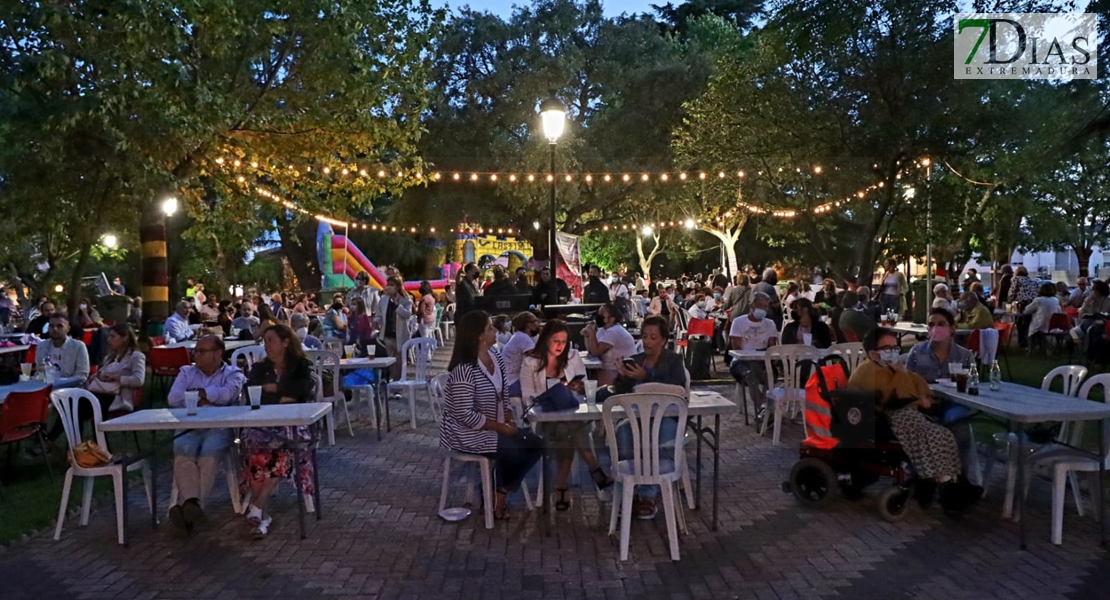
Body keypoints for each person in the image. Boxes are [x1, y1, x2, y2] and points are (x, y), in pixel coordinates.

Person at [849, 327, 970, 514]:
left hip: (898, 415)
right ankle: (944, 483)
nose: (894, 352)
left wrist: (923, 395)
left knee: (944, 434)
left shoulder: (887, 368)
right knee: (938, 435)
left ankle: (949, 481)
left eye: (896, 347)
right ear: (873, 353)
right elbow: (896, 396)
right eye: (887, 348)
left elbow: (917, 383)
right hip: (882, 420)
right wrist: (907, 383)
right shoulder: (869, 371)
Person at [440, 310, 543, 520]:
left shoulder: (496, 356)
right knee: (513, 450)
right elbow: (465, 415)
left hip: (495, 426)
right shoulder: (464, 369)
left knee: (536, 444)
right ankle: (495, 501)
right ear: (479, 335)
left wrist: (508, 417)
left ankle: (499, 492)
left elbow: (503, 393)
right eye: (489, 328)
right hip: (466, 432)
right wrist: (500, 427)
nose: (495, 330)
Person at [600, 315, 687, 519]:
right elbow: (620, 393)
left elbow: (677, 387)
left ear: (663, 340)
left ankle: (648, 495)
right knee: (623, 432)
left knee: (656, 433)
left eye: (653, 337)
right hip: (637, 417)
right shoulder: (636, 360)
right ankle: (631, 489)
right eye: (645, 336)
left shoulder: (673, 360)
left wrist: (646, 377)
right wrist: (621, 377)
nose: (647, 341)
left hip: (666, 417)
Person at [520, 320, 613, 511]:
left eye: (563, 341)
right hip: (546, 419)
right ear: (545, 340)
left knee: (566, 427)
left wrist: (578, 389)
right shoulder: (531, 362)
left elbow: (585, 388)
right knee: (566, 428)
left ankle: (561, 484)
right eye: (555, 340)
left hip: (574, 415)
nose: (560, 346)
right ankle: (593, 465)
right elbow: (527, 396)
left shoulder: (573, 357)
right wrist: (550, 395)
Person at [240, 325, 317, 539]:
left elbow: (304, 389)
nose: (267, 345)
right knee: (254, 447)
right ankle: (261, 516)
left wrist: (276, 389)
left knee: (284, 446)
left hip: (294, 422)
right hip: (263, 421)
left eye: (271, 340)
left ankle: (258, 508)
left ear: (285, 342)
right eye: (265, 341)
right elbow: (252, 392)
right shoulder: (259, 368)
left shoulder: (300, 365)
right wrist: (282, 393)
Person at [166, 335, 246, 533]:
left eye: (202, 351)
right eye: (196, 351)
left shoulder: (233, 373)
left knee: (209, 454)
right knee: (182, 450)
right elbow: (173, 399)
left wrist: (199, 394)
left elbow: (228, 394)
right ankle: (193, 506)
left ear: (218, 354)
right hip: (189, 425)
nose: (196, 355)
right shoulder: (186, 372)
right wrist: (209, 398)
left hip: (219, 426)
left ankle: (187, 506)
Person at [905, 309, 982, 488]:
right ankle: (922, 476)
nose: (935, 328)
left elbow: (972, 383)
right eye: (931, 324)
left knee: (960, 425)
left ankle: (963, 477)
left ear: (952, 328)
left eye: (941, 324)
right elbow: (906, 381)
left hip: (952, 403)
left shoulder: (964, 355)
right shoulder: (917, 352)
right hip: (923, 404)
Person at [42, 323, 140, 447]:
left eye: (113, 337)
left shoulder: (136, 356)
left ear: (124, 338)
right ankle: (75, 447)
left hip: (118, 397)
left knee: (75, 406)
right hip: (101, 394)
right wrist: (96, 376)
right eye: (109, 336)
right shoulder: (111, 357)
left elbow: (138, 380)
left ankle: (59, 442)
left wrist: (116, 378)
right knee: (74, 405)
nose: (108, 340)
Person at [35, 315, 92, 447]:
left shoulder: (78, 346)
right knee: (33, 400)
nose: (55, 329)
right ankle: (40, 438)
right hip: (46, 389)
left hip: (72, 389)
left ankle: (51, 440)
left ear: (68, 328)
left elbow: (82, 376)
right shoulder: (42, 346)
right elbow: (39, 371)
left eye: (59, 326)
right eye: (51, 326)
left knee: (71, 403)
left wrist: (56, 384)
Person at [728, 293, 779, 421]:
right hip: (742, 361)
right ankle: (764, 408)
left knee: (771, 375)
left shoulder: (770, 324)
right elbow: (737, 347)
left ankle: (763, 409)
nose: (763, 309)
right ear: (752, 305)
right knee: (750, 376)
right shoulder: (738, 322)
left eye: (765, 306)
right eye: (760, 306)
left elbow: (772, 347)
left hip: (762, 361)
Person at [582, 302, 638, 386]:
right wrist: (587, 335)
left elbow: (596, 352)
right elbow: (591, 350)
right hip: (608, 368)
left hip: (620, 372)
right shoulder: (603, 330)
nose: (598, 317)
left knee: (589, 382)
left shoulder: (614, 331)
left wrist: (592, 333)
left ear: (612, 319)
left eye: (602, 314)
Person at [376, 276, 413, 380]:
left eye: (391, 285)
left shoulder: (405, 299)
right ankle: (386, 383)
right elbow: (378, 314)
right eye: (388, 285)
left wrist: (397, 305)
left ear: (397, 287)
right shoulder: (383, 300)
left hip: (400, 336)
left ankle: (398, 385)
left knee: (399, 363)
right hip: (386, 335)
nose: (388, 287)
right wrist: (377, 321)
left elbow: (407, 314)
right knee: (386, 361)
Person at [502, 311, 540, 397]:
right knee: (543, 388)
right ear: (528, 325)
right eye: (536, 321)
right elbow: (538, 356)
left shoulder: (518, 336)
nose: (538, 324)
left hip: (509, 381)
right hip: (512, 383)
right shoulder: (522, 337)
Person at [1022, 282, 1064, 348]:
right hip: (1053, 326)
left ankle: (1029, 346)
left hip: (1040, 326)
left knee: (1026, 323)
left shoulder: (1038, 300)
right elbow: (1059, 312)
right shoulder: (1056, 300)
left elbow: (1027, 311)